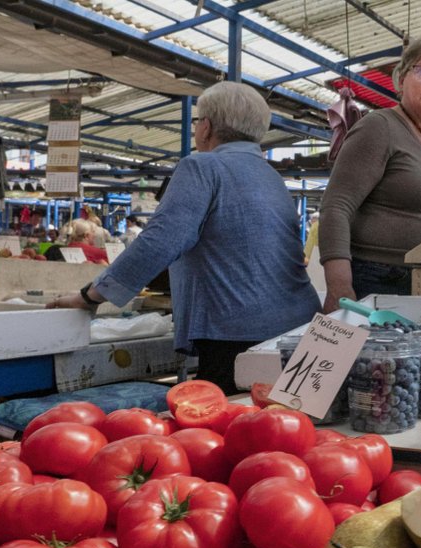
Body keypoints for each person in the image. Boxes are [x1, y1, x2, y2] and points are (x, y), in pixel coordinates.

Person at [48, 81, 320, 394]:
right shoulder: (270, 175)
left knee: (229, 430)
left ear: (206, 127)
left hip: (236, 336)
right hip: (297, 327)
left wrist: (89, 297)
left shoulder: (202, 165)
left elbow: (160, 240)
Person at [319, 38, 421, 313]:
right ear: (400, 81)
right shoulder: (379, 127)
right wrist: (339, 287)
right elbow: (336, 207)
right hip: (379, 280)